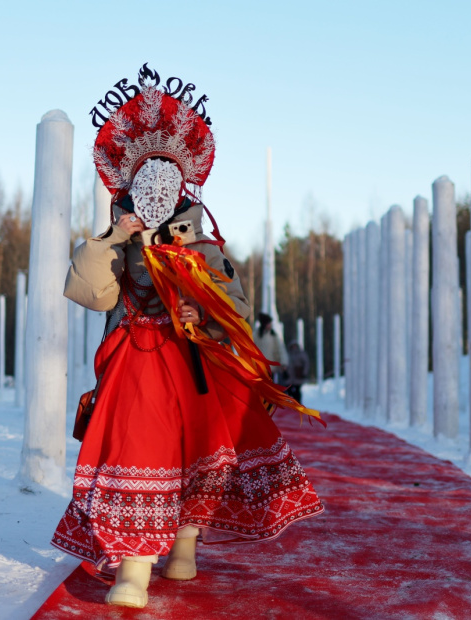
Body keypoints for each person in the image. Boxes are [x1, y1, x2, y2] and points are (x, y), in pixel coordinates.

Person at [51, 66, 324, 610]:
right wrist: (111, 238)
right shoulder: (118, 237)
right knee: (139, 448)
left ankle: (183, 544)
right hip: (137, 359)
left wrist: (203, 300)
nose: (154, 196)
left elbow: (236, 310)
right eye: (143, 186)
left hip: (196, 366)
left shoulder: (203, 246)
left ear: (182, 190)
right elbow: (92, 293)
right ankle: (133, 565)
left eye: (164, 186)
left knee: (197, 452)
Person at [254, 312, 288, 384]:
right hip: (259, 368)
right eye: (269, 323)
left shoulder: (273, 336)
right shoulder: (256, 335)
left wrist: (283, 363)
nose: (270, 325)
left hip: (270, 369)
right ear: (264, 324)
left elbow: (280, 350)